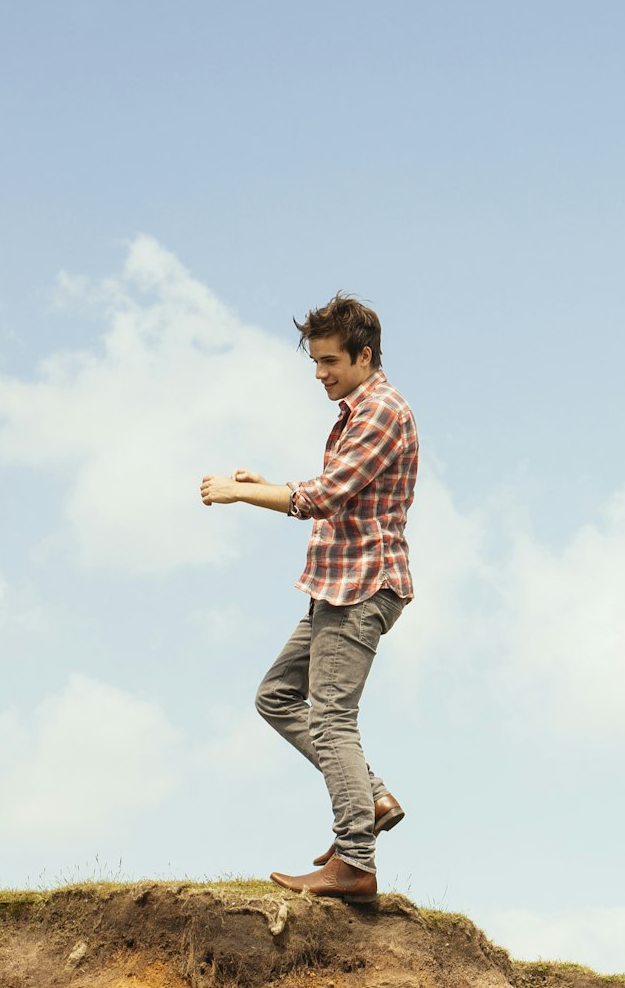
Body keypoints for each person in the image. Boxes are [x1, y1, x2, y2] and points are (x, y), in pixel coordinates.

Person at [199, 293, 418, 903]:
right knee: (276, 697)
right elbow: (327, 489)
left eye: (329, 362)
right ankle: (368, 795)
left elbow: (324, 497)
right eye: (315, 362)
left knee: (330, 718)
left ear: (363, 355)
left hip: (361, 587)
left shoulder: (382, 412)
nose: (319, 373)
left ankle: (354, 863)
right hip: (334, 585)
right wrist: (265, 483)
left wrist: (245, 495)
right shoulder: (356, 411)